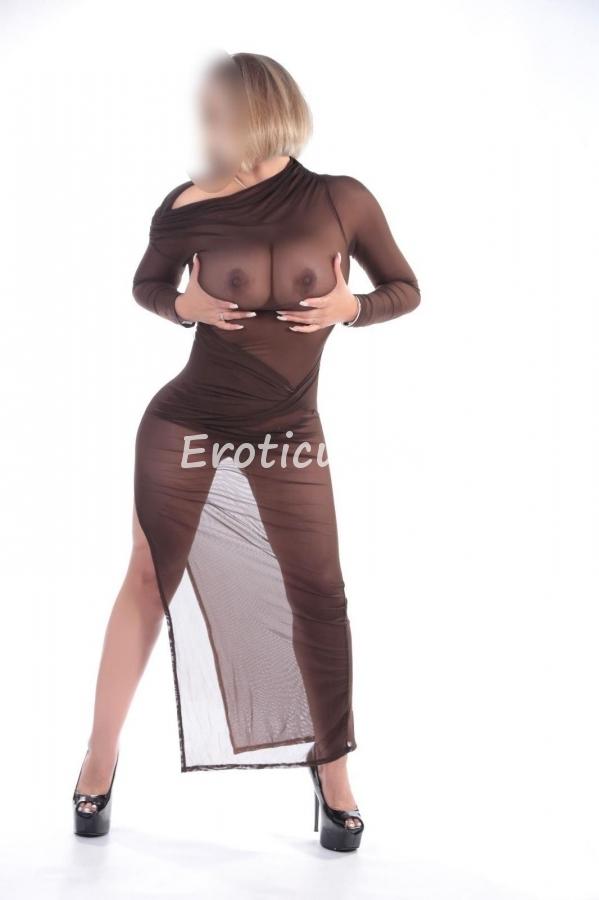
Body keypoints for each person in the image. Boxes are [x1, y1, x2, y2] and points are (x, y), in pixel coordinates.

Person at [72, 51, 421, 852]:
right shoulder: (187, 202)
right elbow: (146, 285)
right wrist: (183, 305)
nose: (206, 126)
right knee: (147, 577)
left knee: (320, 592)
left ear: (257, 111)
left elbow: (404, 287)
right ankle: (98, 759)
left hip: (289, 429)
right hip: (187, 420)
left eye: (217, 112)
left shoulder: (339, 199)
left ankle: (332, 770)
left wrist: (352, 307)